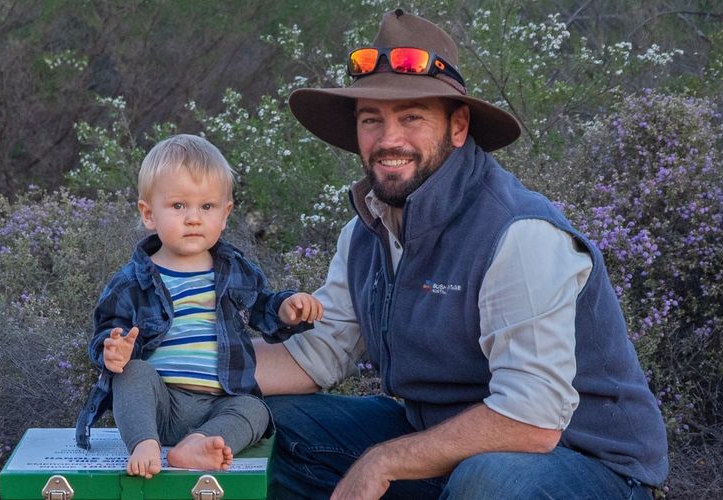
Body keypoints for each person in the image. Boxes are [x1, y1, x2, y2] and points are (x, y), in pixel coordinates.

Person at [250, 9, 669, 499]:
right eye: (371, 120)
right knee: (265, 421)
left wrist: (384, 461)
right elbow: (314, 355)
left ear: (458, 125)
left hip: (583, 464)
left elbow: (532, 421)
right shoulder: (365, 231)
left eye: (412, 118)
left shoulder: (519, 233)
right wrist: (174, 365)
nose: (389, 140)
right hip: (453, 452)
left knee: (491, 482)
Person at [73, 134, 325, 478]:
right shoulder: (132, 280)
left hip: (218, 402)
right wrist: (112, 352)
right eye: (178, 206)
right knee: (132, 374)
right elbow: (106, 329)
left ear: (225, 214)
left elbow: (262, 305)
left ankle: (198, 444)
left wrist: (285, 308)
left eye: (206, 207)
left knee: (255, 410)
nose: (193, 218)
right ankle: (143, 442)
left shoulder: (234, 270)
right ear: (149, 214)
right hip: (160, 402)